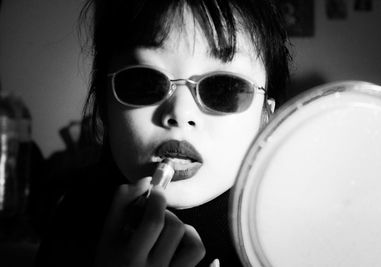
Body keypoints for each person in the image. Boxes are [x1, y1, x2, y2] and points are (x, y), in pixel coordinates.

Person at [35, 0, 291, 266]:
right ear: (103, 107)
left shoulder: (294, 237)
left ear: (265, 119)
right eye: (144, 81)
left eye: (223, 88)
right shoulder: (76, 218)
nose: (181, 112)